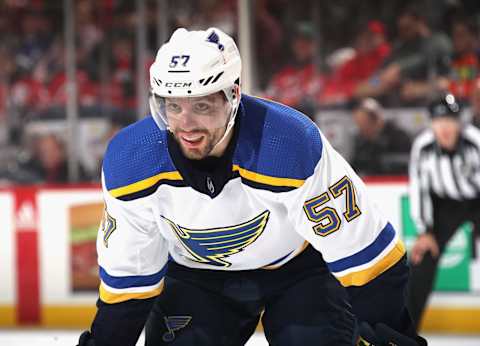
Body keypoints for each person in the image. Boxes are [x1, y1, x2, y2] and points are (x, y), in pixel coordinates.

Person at [77, 28, 426, 346]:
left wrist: (393, 338)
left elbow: (368, 254)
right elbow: (130, 278)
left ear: (233, 96)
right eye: (173, 106)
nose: (186, 125)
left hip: (300, 273)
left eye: (202, 105)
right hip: (197, 279)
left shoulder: (288, 145)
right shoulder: (132, 160)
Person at [407, 94, 480, 330]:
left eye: (450, 120)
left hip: (477, 200)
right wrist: (425, 230)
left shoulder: (475, 142)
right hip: (443, 206)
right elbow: (419, 188)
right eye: (439, 121)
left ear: (459, 122)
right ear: (431, 124)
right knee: (421, 260)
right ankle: (405, 334)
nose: (445, 127)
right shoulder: (424, 147)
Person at [350, 98, 412, 176]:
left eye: (364, 122)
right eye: (358, 123)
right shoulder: (361, 142)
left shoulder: (398, 137)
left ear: (376, 119)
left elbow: (406, 162)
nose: (361, 127)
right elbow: (355, 166)